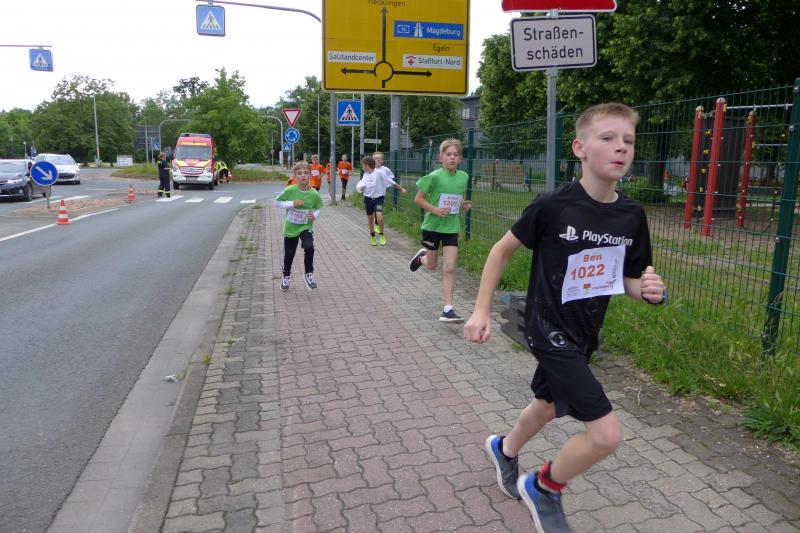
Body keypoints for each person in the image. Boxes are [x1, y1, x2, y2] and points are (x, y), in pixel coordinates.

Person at [463, 103, 666, 533]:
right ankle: (544, 487)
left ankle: (504, 449)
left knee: (547, 406)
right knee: (606, 435)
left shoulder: (631, 216)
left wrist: (648, 290)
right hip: (546, 327)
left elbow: (627, 279)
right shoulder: (554, 205)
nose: (621, 147)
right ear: (580, 148)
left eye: (628, 140)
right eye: (608, 138)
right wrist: (481, 309)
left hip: (584, 333)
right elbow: (501, 251)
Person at [408, 139, 472, 323]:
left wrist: (463, 204)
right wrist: (435, 210)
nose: (452, 158)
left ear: (460, 159)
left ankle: (448, 309)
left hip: (451, 227)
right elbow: (418, 199)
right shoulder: (434, 176)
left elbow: (457, 196)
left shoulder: (463, 177)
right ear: (441, 157)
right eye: (448, 154)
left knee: (450, 267)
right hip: (432, 227)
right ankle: (421, 258)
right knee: (432, 265)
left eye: (455, 155)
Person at [274, 161, 324, 291]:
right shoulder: (290, 190)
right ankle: (286, 277)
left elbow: (318, 209)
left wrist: (315, 215)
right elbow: (277, 202)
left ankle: (308, 274)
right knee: (289, 254)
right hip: (291, 228)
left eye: (306, 173)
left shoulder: (314, 194)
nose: (303, 175)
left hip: (306, 226)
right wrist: (292, 203)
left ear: (310, 175)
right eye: (299, 173)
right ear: (295, 176)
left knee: (309, 247)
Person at [355, 155, 406, 246]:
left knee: (379, 217)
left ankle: (381, 235)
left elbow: (390, 181)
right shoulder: (365, 175)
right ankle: (372, 236)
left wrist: (401, 188)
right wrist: (360, 188)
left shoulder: (379, 173)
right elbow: (360, 185)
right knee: (370, 219)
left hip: (378, 199)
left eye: (363, 166)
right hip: (368, 199)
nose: (362, 168)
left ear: (367, 165)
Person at [373, 152, 395, 233]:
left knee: (378, 208)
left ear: (382, 160)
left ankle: (377, 224)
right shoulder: (371, 169)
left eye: (379, 158)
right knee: (374, 208)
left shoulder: (385, 169)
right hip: (371, 193)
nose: (377, 160)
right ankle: (376, 221)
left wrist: (387, 182)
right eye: (375, 158)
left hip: (381, 193)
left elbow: (391, 177)